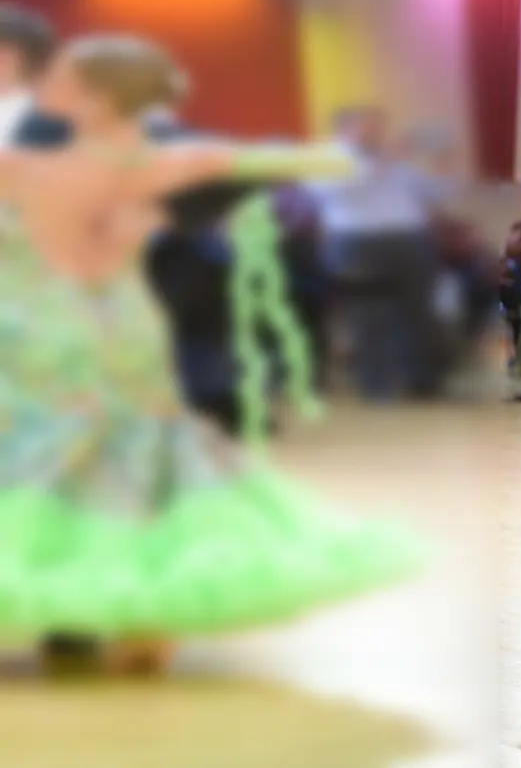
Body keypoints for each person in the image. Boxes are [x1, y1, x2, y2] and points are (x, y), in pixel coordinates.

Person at [0, 35, 418, 674]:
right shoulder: (155, 163)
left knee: (58, 456)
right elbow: (304, 161)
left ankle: (81, 606)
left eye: (61, 77)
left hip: (56, 328)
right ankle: (130, 612)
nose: (48, 85)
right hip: (121, 328)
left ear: (97, 99)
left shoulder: (33, 167)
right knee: (132, 458)